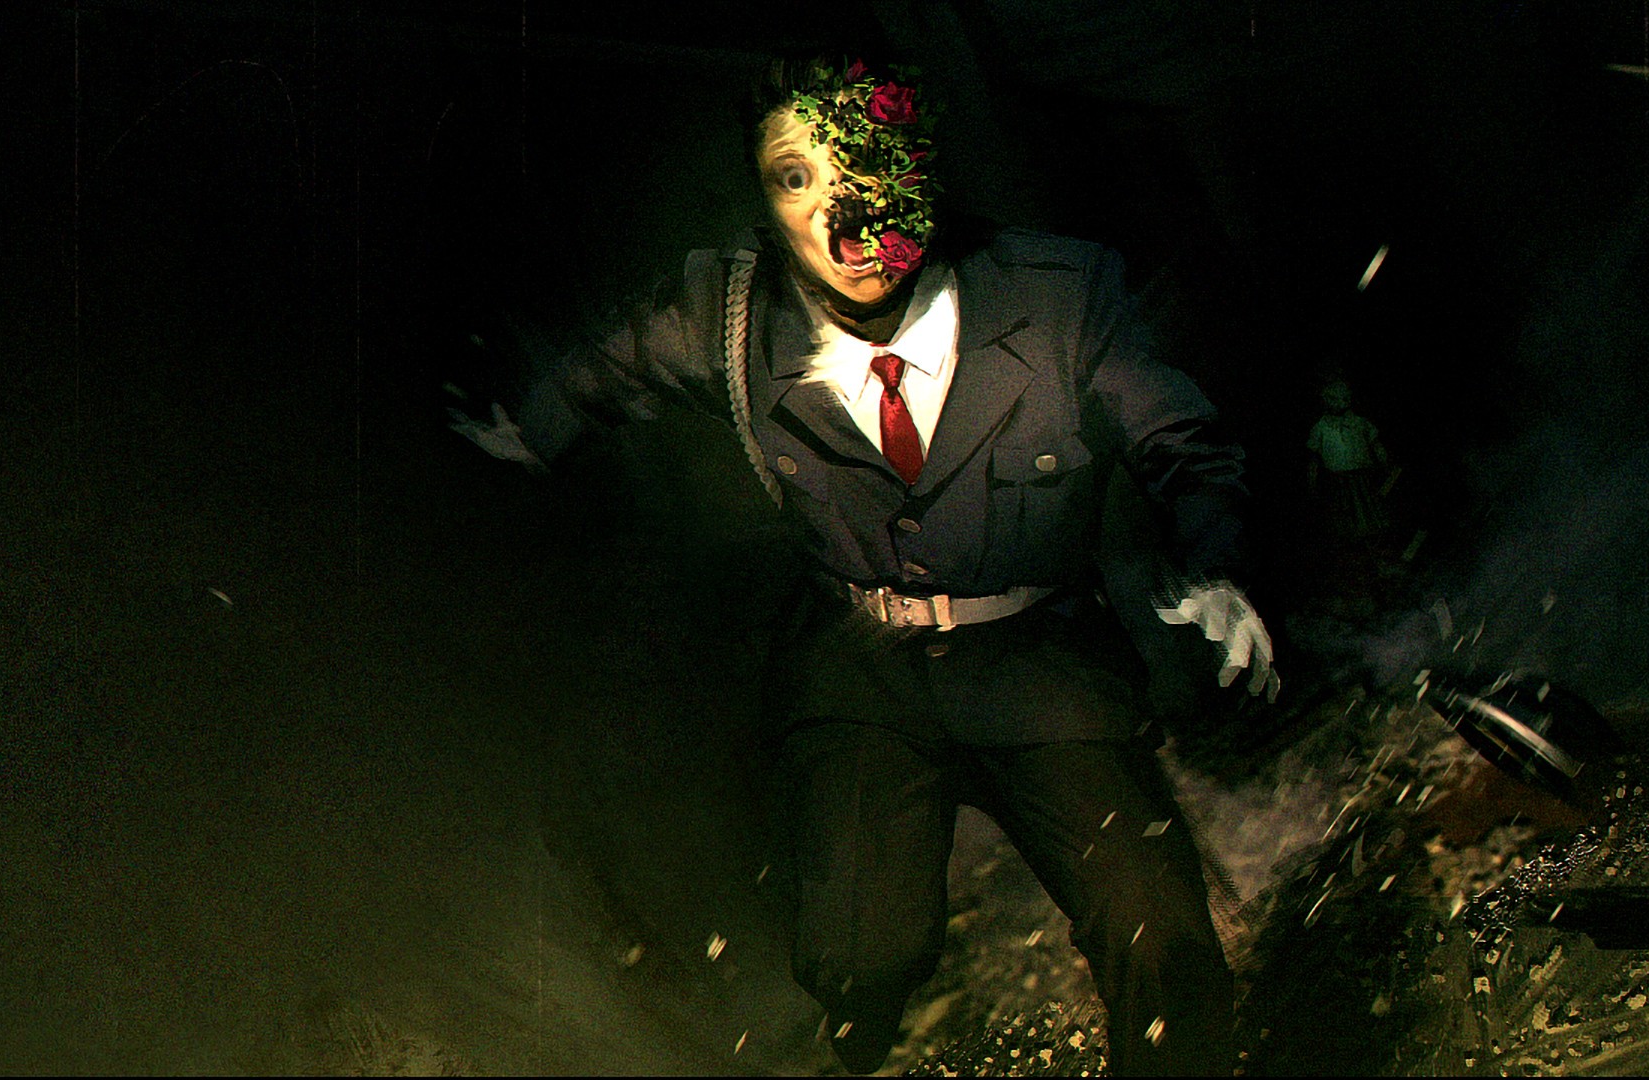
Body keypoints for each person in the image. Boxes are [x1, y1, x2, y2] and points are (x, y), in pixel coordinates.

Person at [452, 55, 1277, 1076]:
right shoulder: (723, 314)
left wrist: (1214, 568)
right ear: (768, 205)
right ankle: (858, 1010)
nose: (843, 215)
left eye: (867, 164)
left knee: (1165, 945)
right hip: (862, 681)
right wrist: (524, 434)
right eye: (796, 177)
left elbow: (1183, 442)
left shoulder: (1058, 292)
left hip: (1041, 665)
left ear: (922, 168)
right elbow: (603, 371)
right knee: (854, 959)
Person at [1306, 378, 1392, 539]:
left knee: (1369, 512)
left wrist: (1386, 467)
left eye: (1343, 397)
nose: (1340, 402)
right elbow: (1314, 460)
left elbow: (1377, 446)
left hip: (1363, 478)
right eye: (1333, 398)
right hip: (1337, 481)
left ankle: (1375, 542)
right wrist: (1312, 483)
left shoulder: (1360, 423)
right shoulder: (1320, 428)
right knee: (1344, 517)